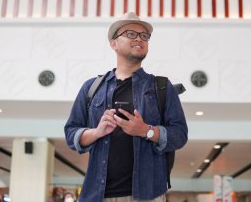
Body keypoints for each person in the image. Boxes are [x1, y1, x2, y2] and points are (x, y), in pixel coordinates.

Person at [64, 12, 188, 202]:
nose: (139, 38)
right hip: (97, 194)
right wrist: (97, 132)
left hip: (148, 194)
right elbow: (71, 132)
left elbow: (179, 135)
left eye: (144, 36)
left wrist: (146, 131)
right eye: (131, 33)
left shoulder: (161, 87)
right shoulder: (92, 88)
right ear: (113, 43)